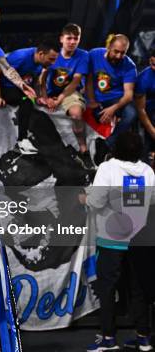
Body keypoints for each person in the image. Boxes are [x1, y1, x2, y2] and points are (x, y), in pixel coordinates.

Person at [84, 131, 154, 352]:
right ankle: (144, 338)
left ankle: (108, 339)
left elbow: (95, 202)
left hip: (111, 240)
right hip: (139, 240)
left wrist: (83, 197)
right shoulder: (147, 171)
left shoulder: (107, 168)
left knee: (108, 288)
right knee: (139, 289)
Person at [41, 23, 93, 168]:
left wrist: (60, 99)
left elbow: (76, 81)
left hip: (70, 92)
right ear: (61, 39)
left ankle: (84, 150)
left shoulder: (83, 55)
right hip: (50, 92)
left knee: (76, 114)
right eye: (69, 38)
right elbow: (42, 79)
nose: (72, 42)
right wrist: (46, 98)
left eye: (75, 38)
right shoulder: (52, 53)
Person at [0, 40, 59, 141]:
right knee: (26, 101)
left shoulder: (42, 64)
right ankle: (22, 139)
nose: (53, 63)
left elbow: (36, 81)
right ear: (41, 54)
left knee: (31, 101)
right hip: (6, 87)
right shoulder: (20, 56)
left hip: (23, 89)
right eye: (51, 59)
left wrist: (40, 97)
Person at [86, 34, 137, 149]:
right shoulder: (94, 54)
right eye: (116, 51)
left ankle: (107, 144)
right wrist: (92, 101)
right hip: (95, 96)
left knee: (132, 114)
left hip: (116, 99)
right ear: (109, 47)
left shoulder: (130, 66)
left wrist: (113, 109)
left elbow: (128, 95)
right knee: (96, 117)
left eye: (123, 53)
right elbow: (88, 79)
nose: (119, 56)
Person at [134, 48, 155, 159]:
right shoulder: (144, 79)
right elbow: (140, 109)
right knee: (145, 149)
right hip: (149, 111)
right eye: (153, 64)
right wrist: (152, 132)